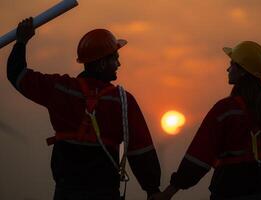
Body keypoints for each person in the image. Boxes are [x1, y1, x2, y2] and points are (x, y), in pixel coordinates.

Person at [7, 17, 161, 200]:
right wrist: (152, 190)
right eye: (115, 58)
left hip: (66, 193)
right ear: (102, 63)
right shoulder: (122, 101)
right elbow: (141, 150)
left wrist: (21, 41)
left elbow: (17, 75)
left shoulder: (61, 88)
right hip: (105, 195)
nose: (119, 64)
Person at [151, 14, 261, 200]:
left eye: (232, 64)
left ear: (243, 71)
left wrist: (169, 192)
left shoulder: (225, 110)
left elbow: (199, 155)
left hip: (229, 189)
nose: (228, 69)